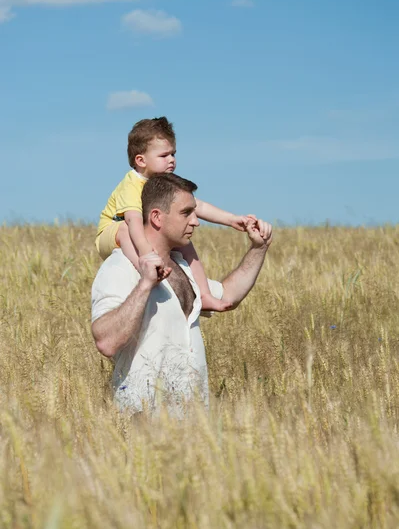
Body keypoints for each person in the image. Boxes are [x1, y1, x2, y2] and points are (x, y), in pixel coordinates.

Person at [91, 173, 273, 414]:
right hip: (142, 425)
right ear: (156, 217)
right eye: (186, 213)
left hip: (191, 429)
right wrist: (145, 285)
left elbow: (227, 296)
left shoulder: (183, 268)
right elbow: (106, 341)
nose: (196, 221)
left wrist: (258, 249)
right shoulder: (120, 268)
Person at [95, 116, 257, 312]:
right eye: (164, 156)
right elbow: (133, 220)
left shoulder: (165, 185)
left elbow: (198, 205)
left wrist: (231, 220)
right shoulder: (131, 185)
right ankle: (146, 270)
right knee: (125, 228)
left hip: (137, 231)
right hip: (111, 233)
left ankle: (204, 295)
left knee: (186, 243)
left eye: (173, 154)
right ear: (141, 160)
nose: (171, 160)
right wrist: (147, 253)